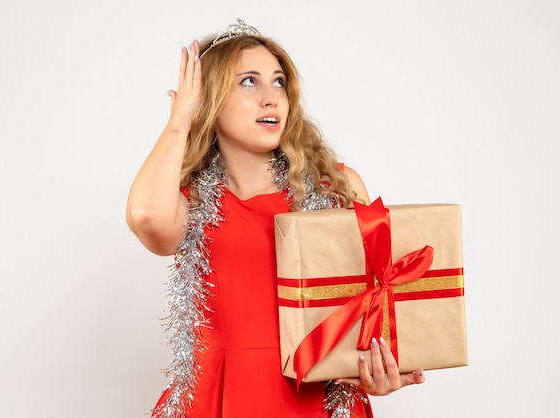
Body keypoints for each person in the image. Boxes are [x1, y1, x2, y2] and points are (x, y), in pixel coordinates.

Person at [126, 18, 425, 418]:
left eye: (279, 81)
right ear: (210, 100)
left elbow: (377, 308)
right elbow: (146, 218)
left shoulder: (336, 187)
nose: (272, 98)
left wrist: (378, 368)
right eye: (249, 81)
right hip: (217, 398)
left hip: (317, 403)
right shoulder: (191, 200)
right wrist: (181, 119)